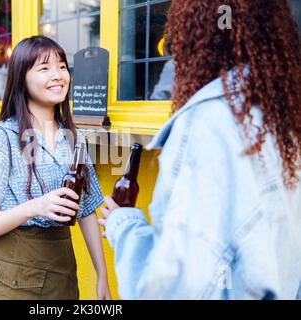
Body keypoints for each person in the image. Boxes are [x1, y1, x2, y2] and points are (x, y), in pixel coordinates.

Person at [99, 0, 301, 300]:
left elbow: (169, 289)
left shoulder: (208, 124)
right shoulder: (284, 117)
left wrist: (123, 225)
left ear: (194, 37)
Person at [0, 36, 111, 300]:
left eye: (62, 66)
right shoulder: (1, 139)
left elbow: (87, 209)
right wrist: (35, 207)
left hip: (61, 269)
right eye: (44, 68)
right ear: (21, 78)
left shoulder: (73, 137)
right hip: (10, 276)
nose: (57, 76)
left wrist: (101, 273)